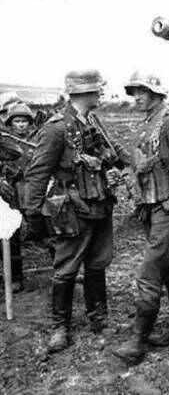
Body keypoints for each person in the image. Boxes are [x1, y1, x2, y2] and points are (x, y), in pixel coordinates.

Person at [23, 70, 128, 352]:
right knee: (66, 268)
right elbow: (38, 172)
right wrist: (33, 214)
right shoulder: (56, 128)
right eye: (98, 90)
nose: (101, 94)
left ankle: (99, 318)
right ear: (85, 92)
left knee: (97, 263)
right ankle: (60, 327)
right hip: (71, 209)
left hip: (100, 204)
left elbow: (112, 154)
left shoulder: (92, 120)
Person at [113, 72, 169, 365]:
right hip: (150, 206)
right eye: (134, 92)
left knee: (150, 271)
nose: (136, 97)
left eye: (142, 92)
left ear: (157, 93)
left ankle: (138, 340)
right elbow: (141, 162)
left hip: (167, 208)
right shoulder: (147, 122)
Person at [1, 103, 37, 293]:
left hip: (33, 190)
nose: (21, 125)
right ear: (10, 123)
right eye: (17, 121)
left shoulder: (37, 139)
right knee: (11, 235)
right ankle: (14, 277)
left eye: (24, 121)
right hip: (12, 192)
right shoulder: (6, 140)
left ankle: (62, 270)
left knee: (46, 230)